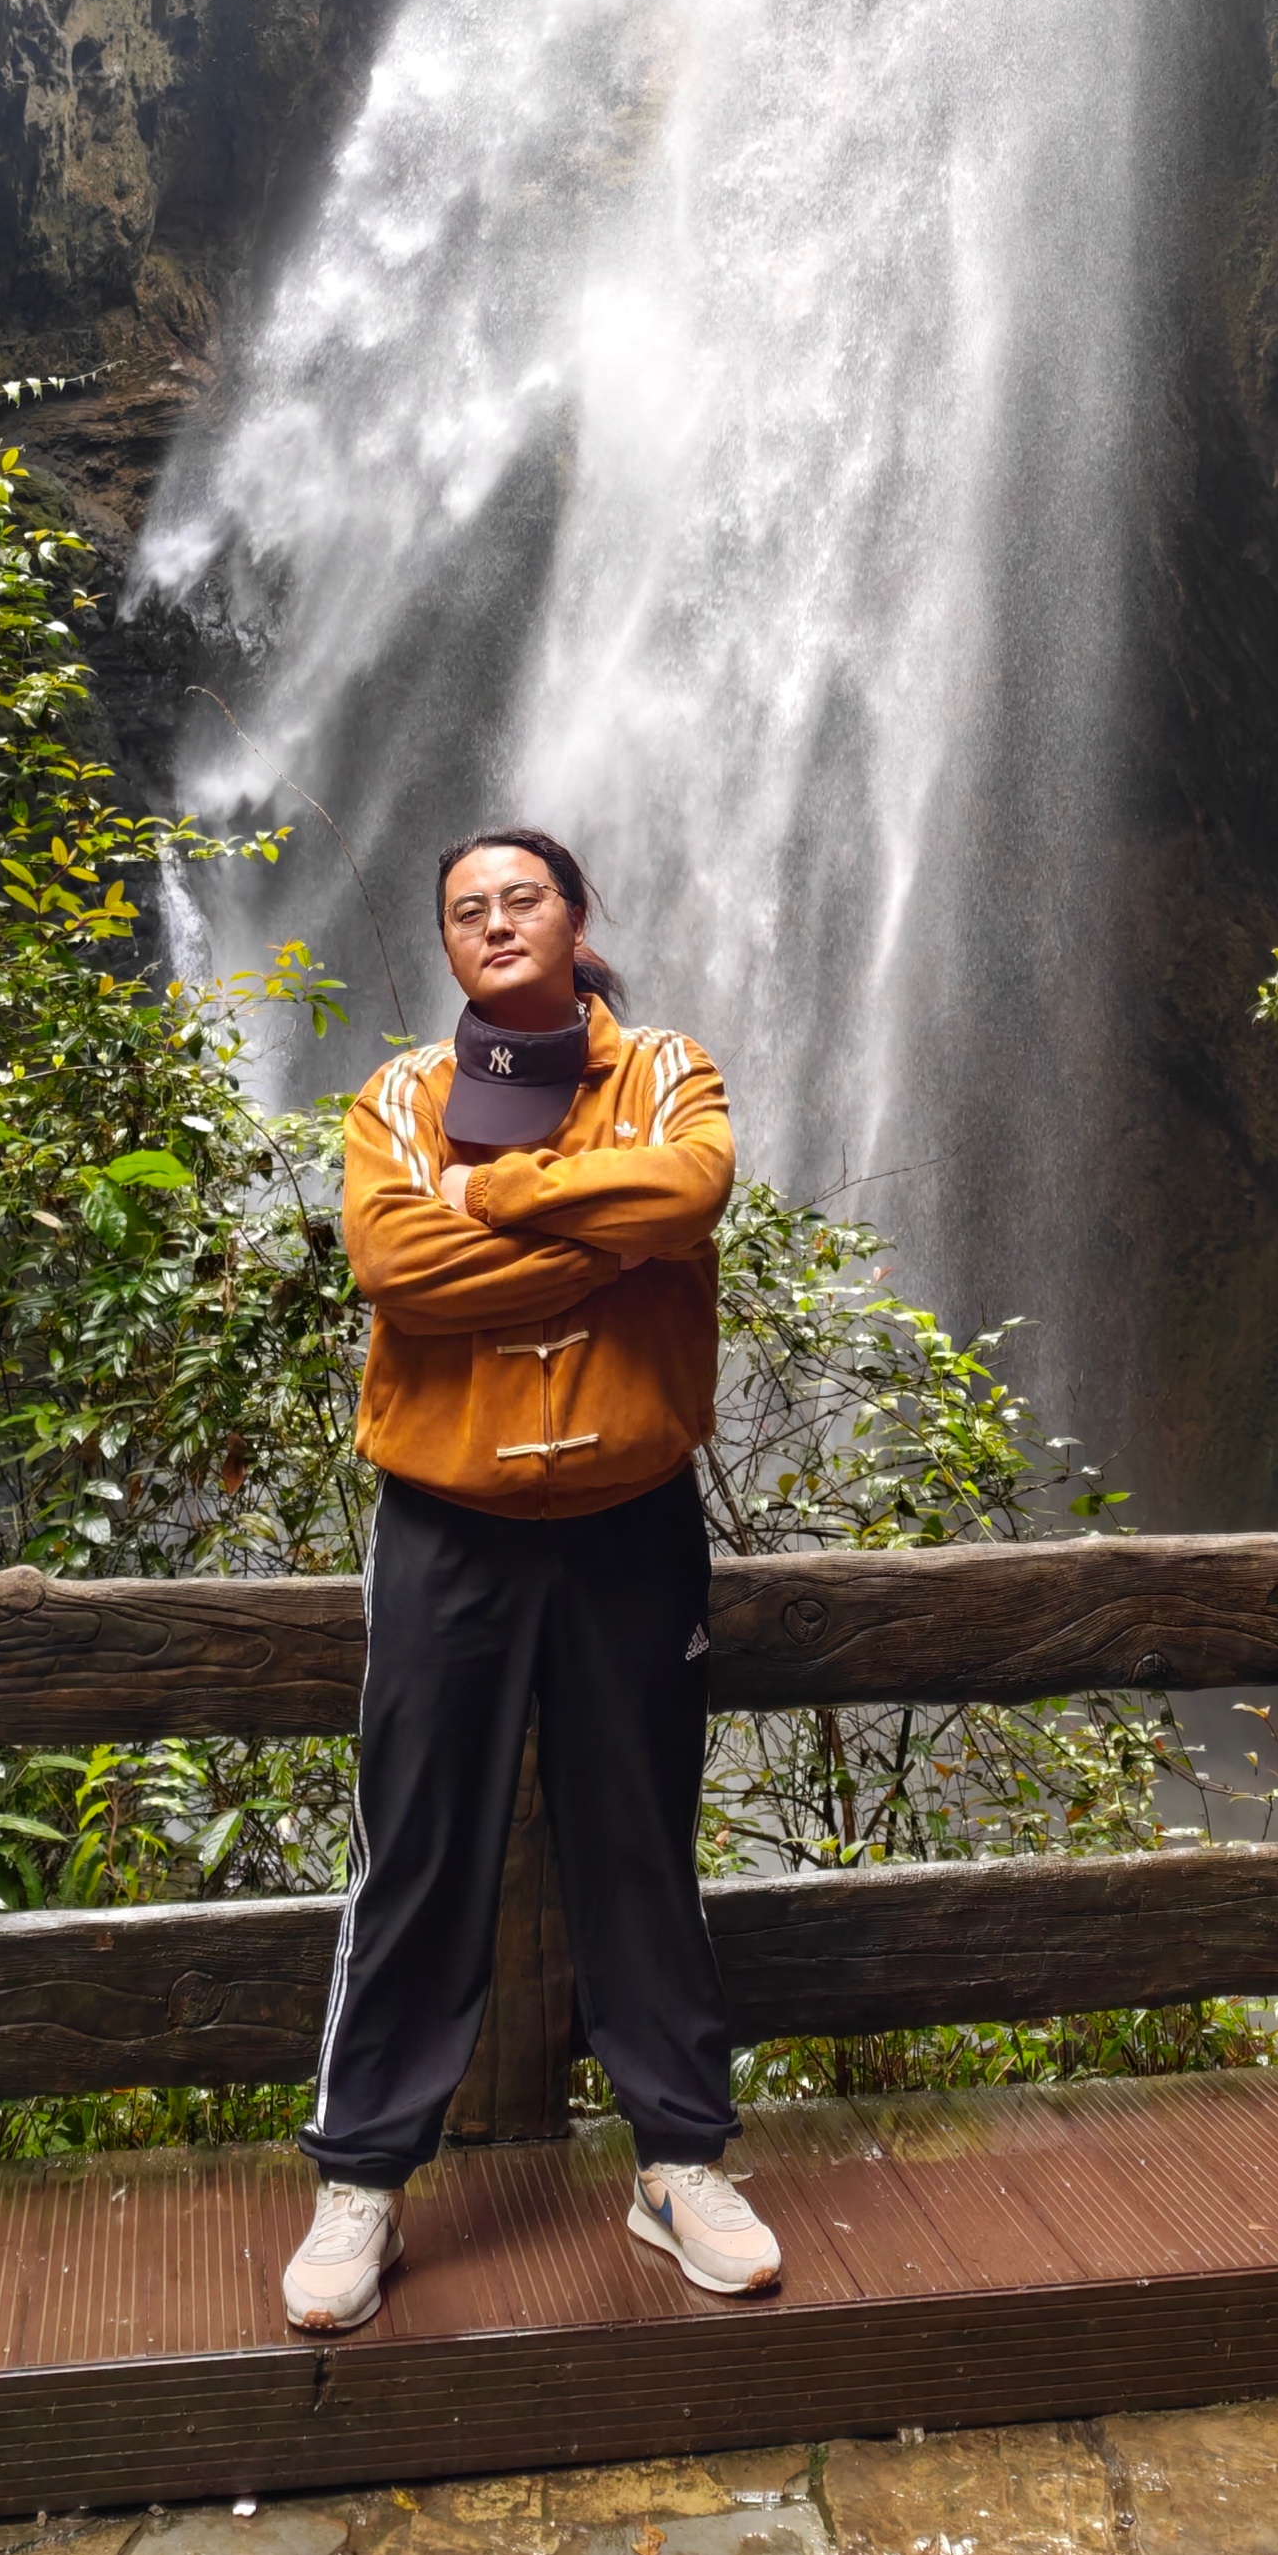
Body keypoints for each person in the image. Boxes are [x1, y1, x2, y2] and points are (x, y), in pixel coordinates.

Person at [278, 825, 781, 2334]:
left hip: (632, 1518)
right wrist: (587, 1236)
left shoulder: (668, 1071)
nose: (495, 922)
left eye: (523, 898)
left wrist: (496, 1200)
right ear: (447, 945)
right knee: (420, 1845)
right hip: (451, 1528)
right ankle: (360, 2180)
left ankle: (680, 2165)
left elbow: (687, 1196)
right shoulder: (398, 1100)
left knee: (641, 1837)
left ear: (577, 917)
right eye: (466, 910)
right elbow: (395, 1271)